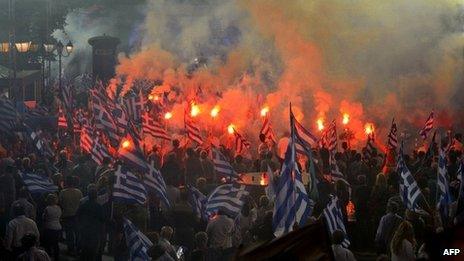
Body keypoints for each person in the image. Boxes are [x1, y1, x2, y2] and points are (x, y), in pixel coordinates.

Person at [76, 184, 105, 261]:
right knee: (93, 252)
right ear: (96, 196)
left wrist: (80, 226)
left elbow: (78, 215)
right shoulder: (99, 207)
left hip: (84, 230)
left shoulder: (83, 204)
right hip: (95, 232)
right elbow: (102, 220)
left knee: (84, 250)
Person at [59, 175, 83, 255]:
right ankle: (78, 248)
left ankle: (71, 249)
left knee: (69, 234)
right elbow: (81, 203)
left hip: (67, 215)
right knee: (77, 233)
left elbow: (60, 203)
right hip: (77, 215)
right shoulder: (78, 192)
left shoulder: (63, 192)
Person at [42, 193, 62, 260]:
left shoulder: (47, 208)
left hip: (49, 227)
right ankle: (57, 257)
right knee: (55, 243)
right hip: (58, 227)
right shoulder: (59, 208)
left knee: (48, 243)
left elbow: (44, 218)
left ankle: (48, 256)